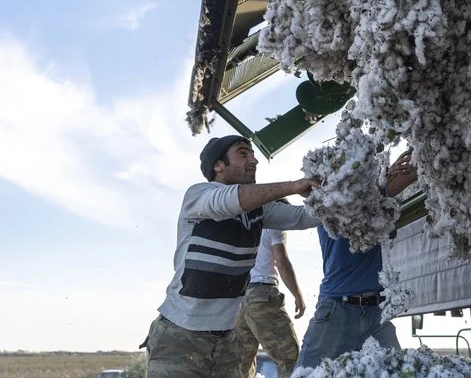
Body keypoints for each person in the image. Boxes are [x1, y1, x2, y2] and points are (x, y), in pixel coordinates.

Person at [141, 135, 321, 378]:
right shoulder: (199, 195)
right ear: (218, 165)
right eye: (243, 153)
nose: (254, 160)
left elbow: (304, 217)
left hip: (226, 344)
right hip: (180, 340)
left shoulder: (259, 210)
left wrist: (335, 194)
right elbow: (226, 201)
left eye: (254, 155)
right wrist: (292, 186)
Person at [295, 150, 418, 369]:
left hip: (376, 312)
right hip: (337, 312)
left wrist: (393, 173)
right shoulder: (327, 208)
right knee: (308, 373)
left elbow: (410, 173)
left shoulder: (375, 199)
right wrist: (385, 178)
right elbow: (359, 201)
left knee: (400, 371)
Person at [234, 198, 305, 378]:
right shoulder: (274, 225)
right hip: (261, 297)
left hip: (240, 299)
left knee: (240, 364)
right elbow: (282, 262)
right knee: (292, 361)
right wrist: (297, 295)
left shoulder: (248, 224)